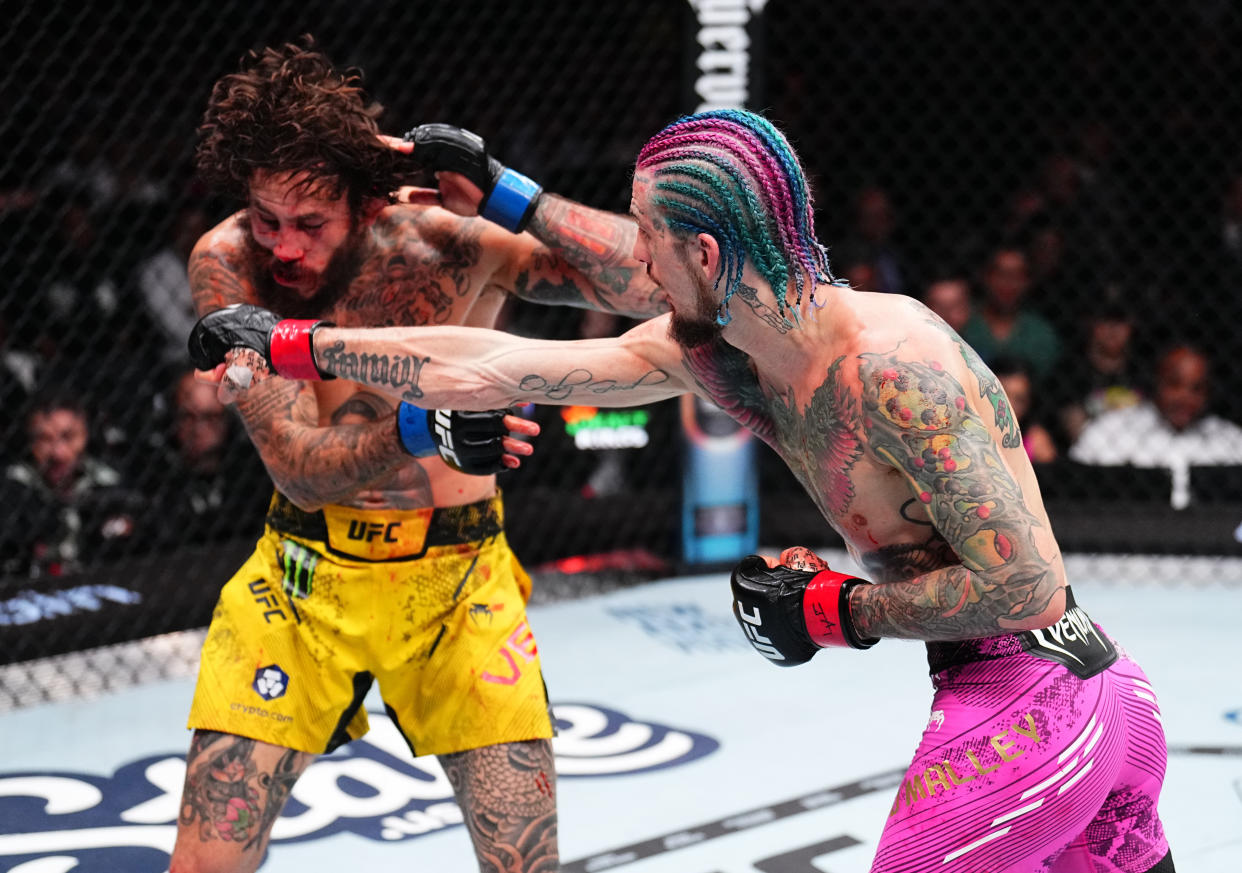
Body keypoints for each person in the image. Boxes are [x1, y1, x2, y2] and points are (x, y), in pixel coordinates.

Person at [192, 108, 1175, 872]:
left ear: (702, 255)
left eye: (651, 239)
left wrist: (840, 610)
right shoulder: (718, 352)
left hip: (1044, 699)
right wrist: (293, 342)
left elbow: (1022, 585)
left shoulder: (896, 365)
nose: (635, 260)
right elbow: (494, 362)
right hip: (1082, 690)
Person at [173, 36, 664, 873]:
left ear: (365, 207)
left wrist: (514, 195)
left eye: (309, 224)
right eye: (266, 219)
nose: (282, 246)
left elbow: (653, 284)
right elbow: (293, 460)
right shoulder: (229, 263)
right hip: (300, 579)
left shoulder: (448, 242)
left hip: (457, 580)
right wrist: (420, 428)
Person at [1070, 343, 1242, 509]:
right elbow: (1073, 488)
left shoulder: (1231, 439)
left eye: (1197, 389)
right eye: (1174, 384)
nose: (1185, 398)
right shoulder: (1109, 430)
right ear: (1156, 381)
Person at [3, 391, 144, 576]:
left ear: (86, 436)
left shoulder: (110, 481)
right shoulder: (10, 488)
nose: (58, 453)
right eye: (44, 439)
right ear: (29, 443)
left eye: (68, 437)